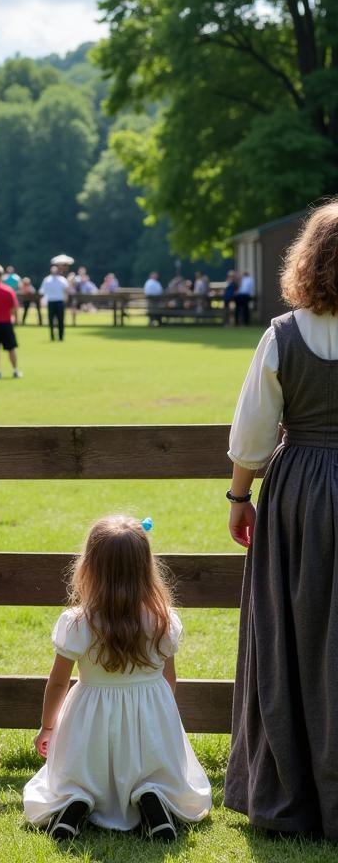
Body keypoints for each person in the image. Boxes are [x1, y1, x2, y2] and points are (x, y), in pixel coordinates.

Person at [224, 203, 338, 837]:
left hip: (296, 495)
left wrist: (240, 499)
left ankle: (292, 797)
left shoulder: (284, 334)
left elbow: (253, 432)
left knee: (288, 633)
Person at [23, 516, 211, 841]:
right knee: (154, 769)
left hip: (90, 713)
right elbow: (170, 678)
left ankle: (76, 799)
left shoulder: (77, 623)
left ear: (90, 567)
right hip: (150, 709)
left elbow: (57, 683)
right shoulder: (163, 619)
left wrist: (48, 725)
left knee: (78, 770)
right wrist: (161, 718)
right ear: (145, 567)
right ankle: (153, 794)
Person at [40, 265, 69, 341]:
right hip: (51, 301)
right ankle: (52, 337)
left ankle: (61, 337)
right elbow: (43, 291)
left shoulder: (62, 279)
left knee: (60, 320)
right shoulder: (47, 279)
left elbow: (66, 290)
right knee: (51, 320)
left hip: (59, 301)